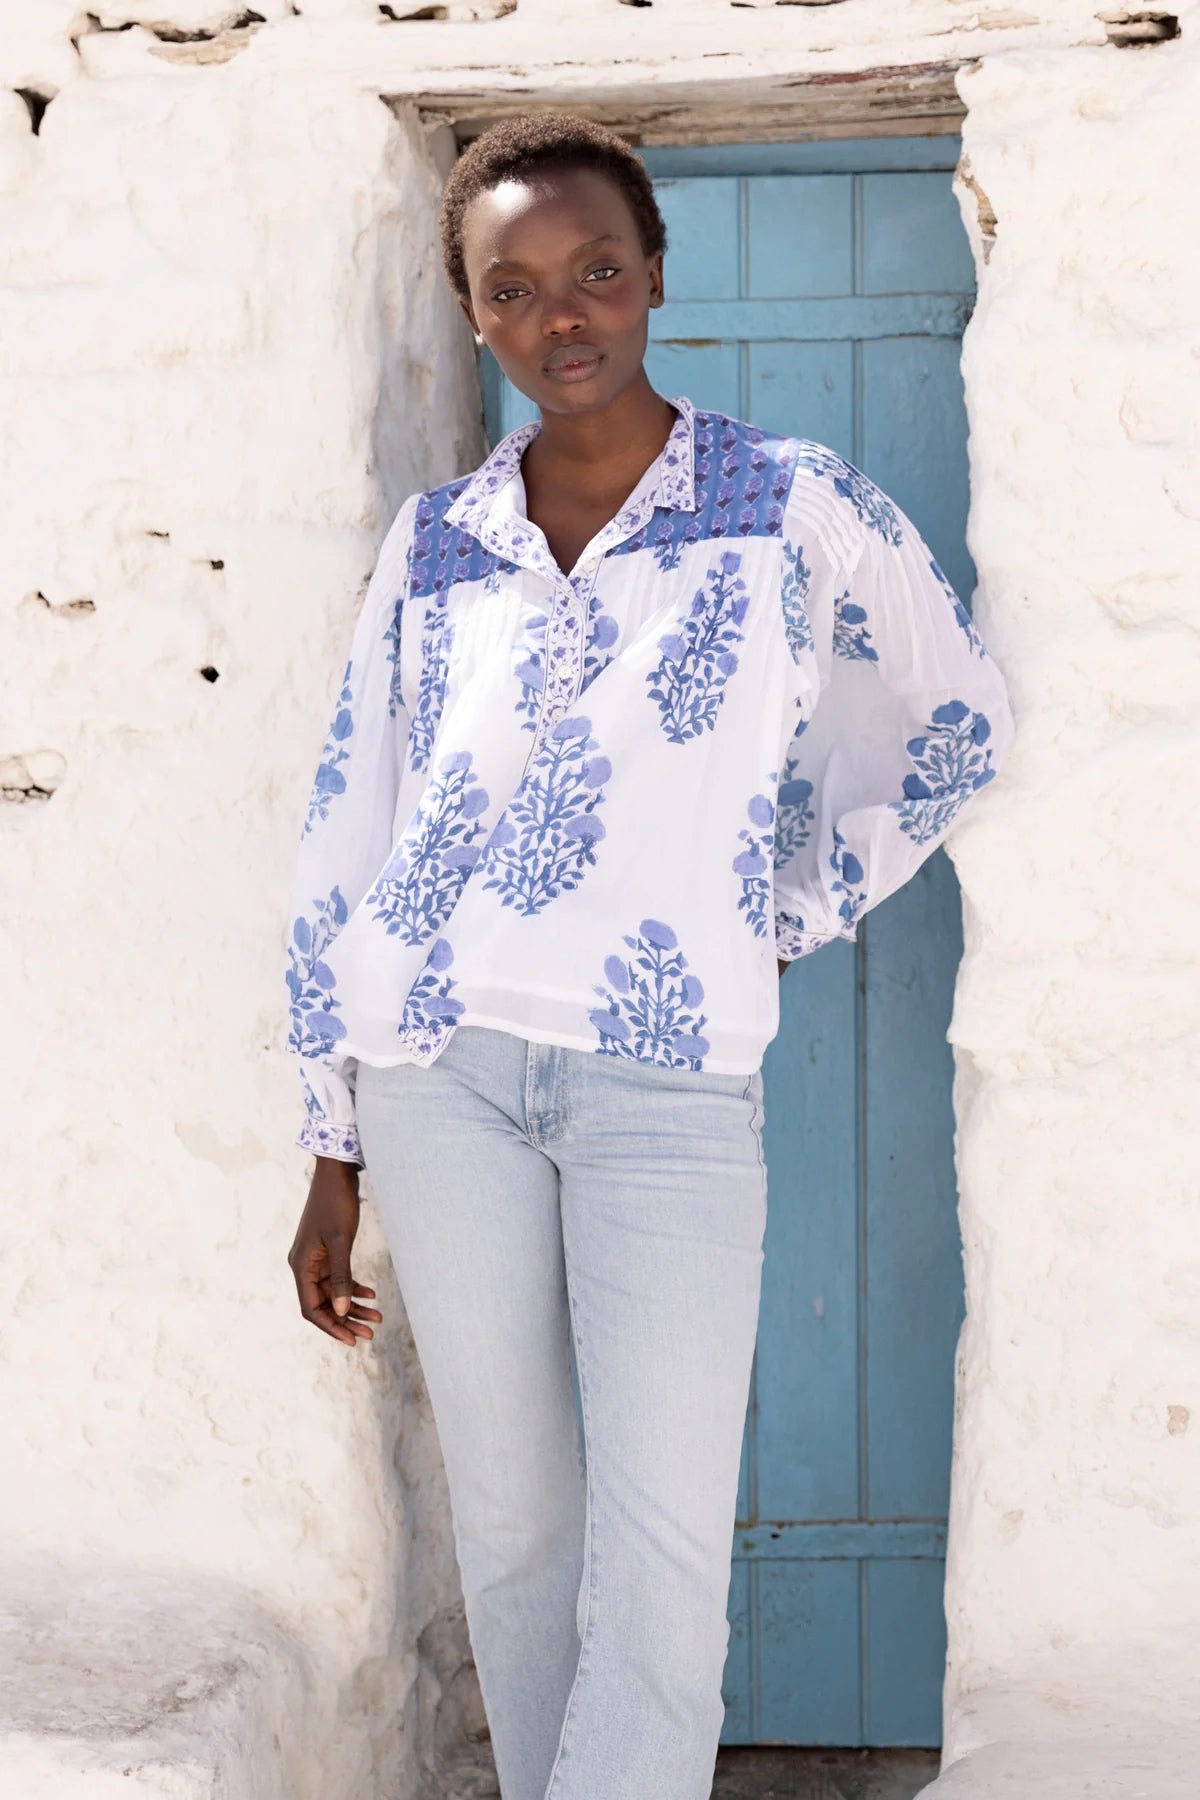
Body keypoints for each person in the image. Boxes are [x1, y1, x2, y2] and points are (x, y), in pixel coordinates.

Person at [285, 113, 1015, 1800]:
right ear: (475, 313)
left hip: (666, 1087)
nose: (565, 316)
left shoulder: (790, 505)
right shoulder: (438, 541)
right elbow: (350, 819)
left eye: (598, 271)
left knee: (665, 1552)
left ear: (655, 276)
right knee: (516, 1527)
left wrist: (774, 905)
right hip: (437, 1077)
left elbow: (956, 723)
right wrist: (330, 1140)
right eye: (516, 288)